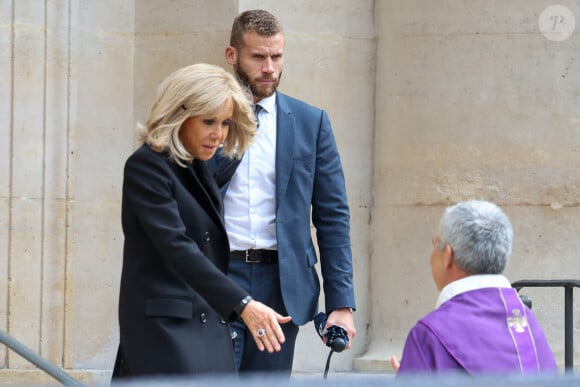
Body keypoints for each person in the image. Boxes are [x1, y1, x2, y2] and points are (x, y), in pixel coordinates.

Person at [112, 63, 292, 378]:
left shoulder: (196, 166)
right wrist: (243, 303)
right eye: (208, 121)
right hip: (167, 331)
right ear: (178, 115)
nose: (218, 134)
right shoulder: (147, 167)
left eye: (225, 123)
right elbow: (177, 247)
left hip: (206, 326)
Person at [208, 9, 356, 375]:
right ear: (233, 56)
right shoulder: (204, 121)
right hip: (217, 274)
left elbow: (332, 216)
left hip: (281, 283)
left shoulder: (311, 122)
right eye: (258, 57)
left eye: (277, 56)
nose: (270, 68)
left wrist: (341, 304)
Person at [391, 200, 558, 375]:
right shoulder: (531, 328)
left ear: (448, 256)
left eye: (434, 244)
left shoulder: (428, 336)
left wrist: (412, 374)